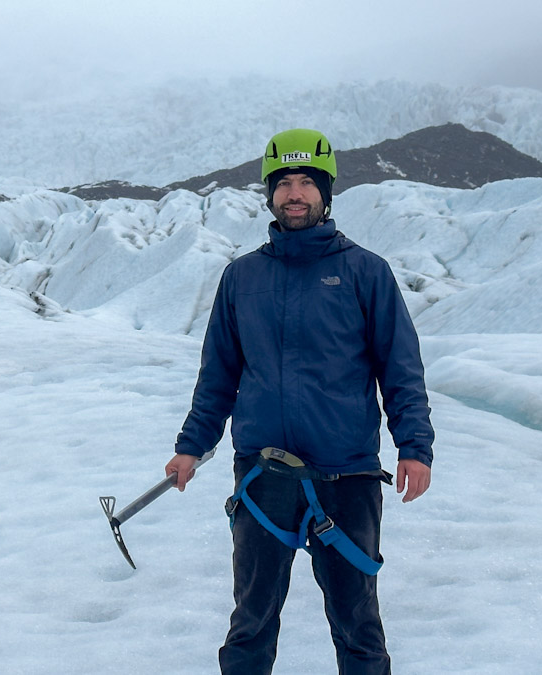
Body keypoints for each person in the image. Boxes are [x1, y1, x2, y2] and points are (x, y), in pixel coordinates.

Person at [165, 128, 434, 675]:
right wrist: (192, 445)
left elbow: (400, 368)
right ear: (269, 195)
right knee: (252, 619)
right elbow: (218, 372)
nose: (294, 193)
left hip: (347, 474)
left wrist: (415, 446)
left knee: (357, 622)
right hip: (264, 475)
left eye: (306, 183)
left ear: (326, 193)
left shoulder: (366, 272)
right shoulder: (242, 277)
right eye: (283, 183)